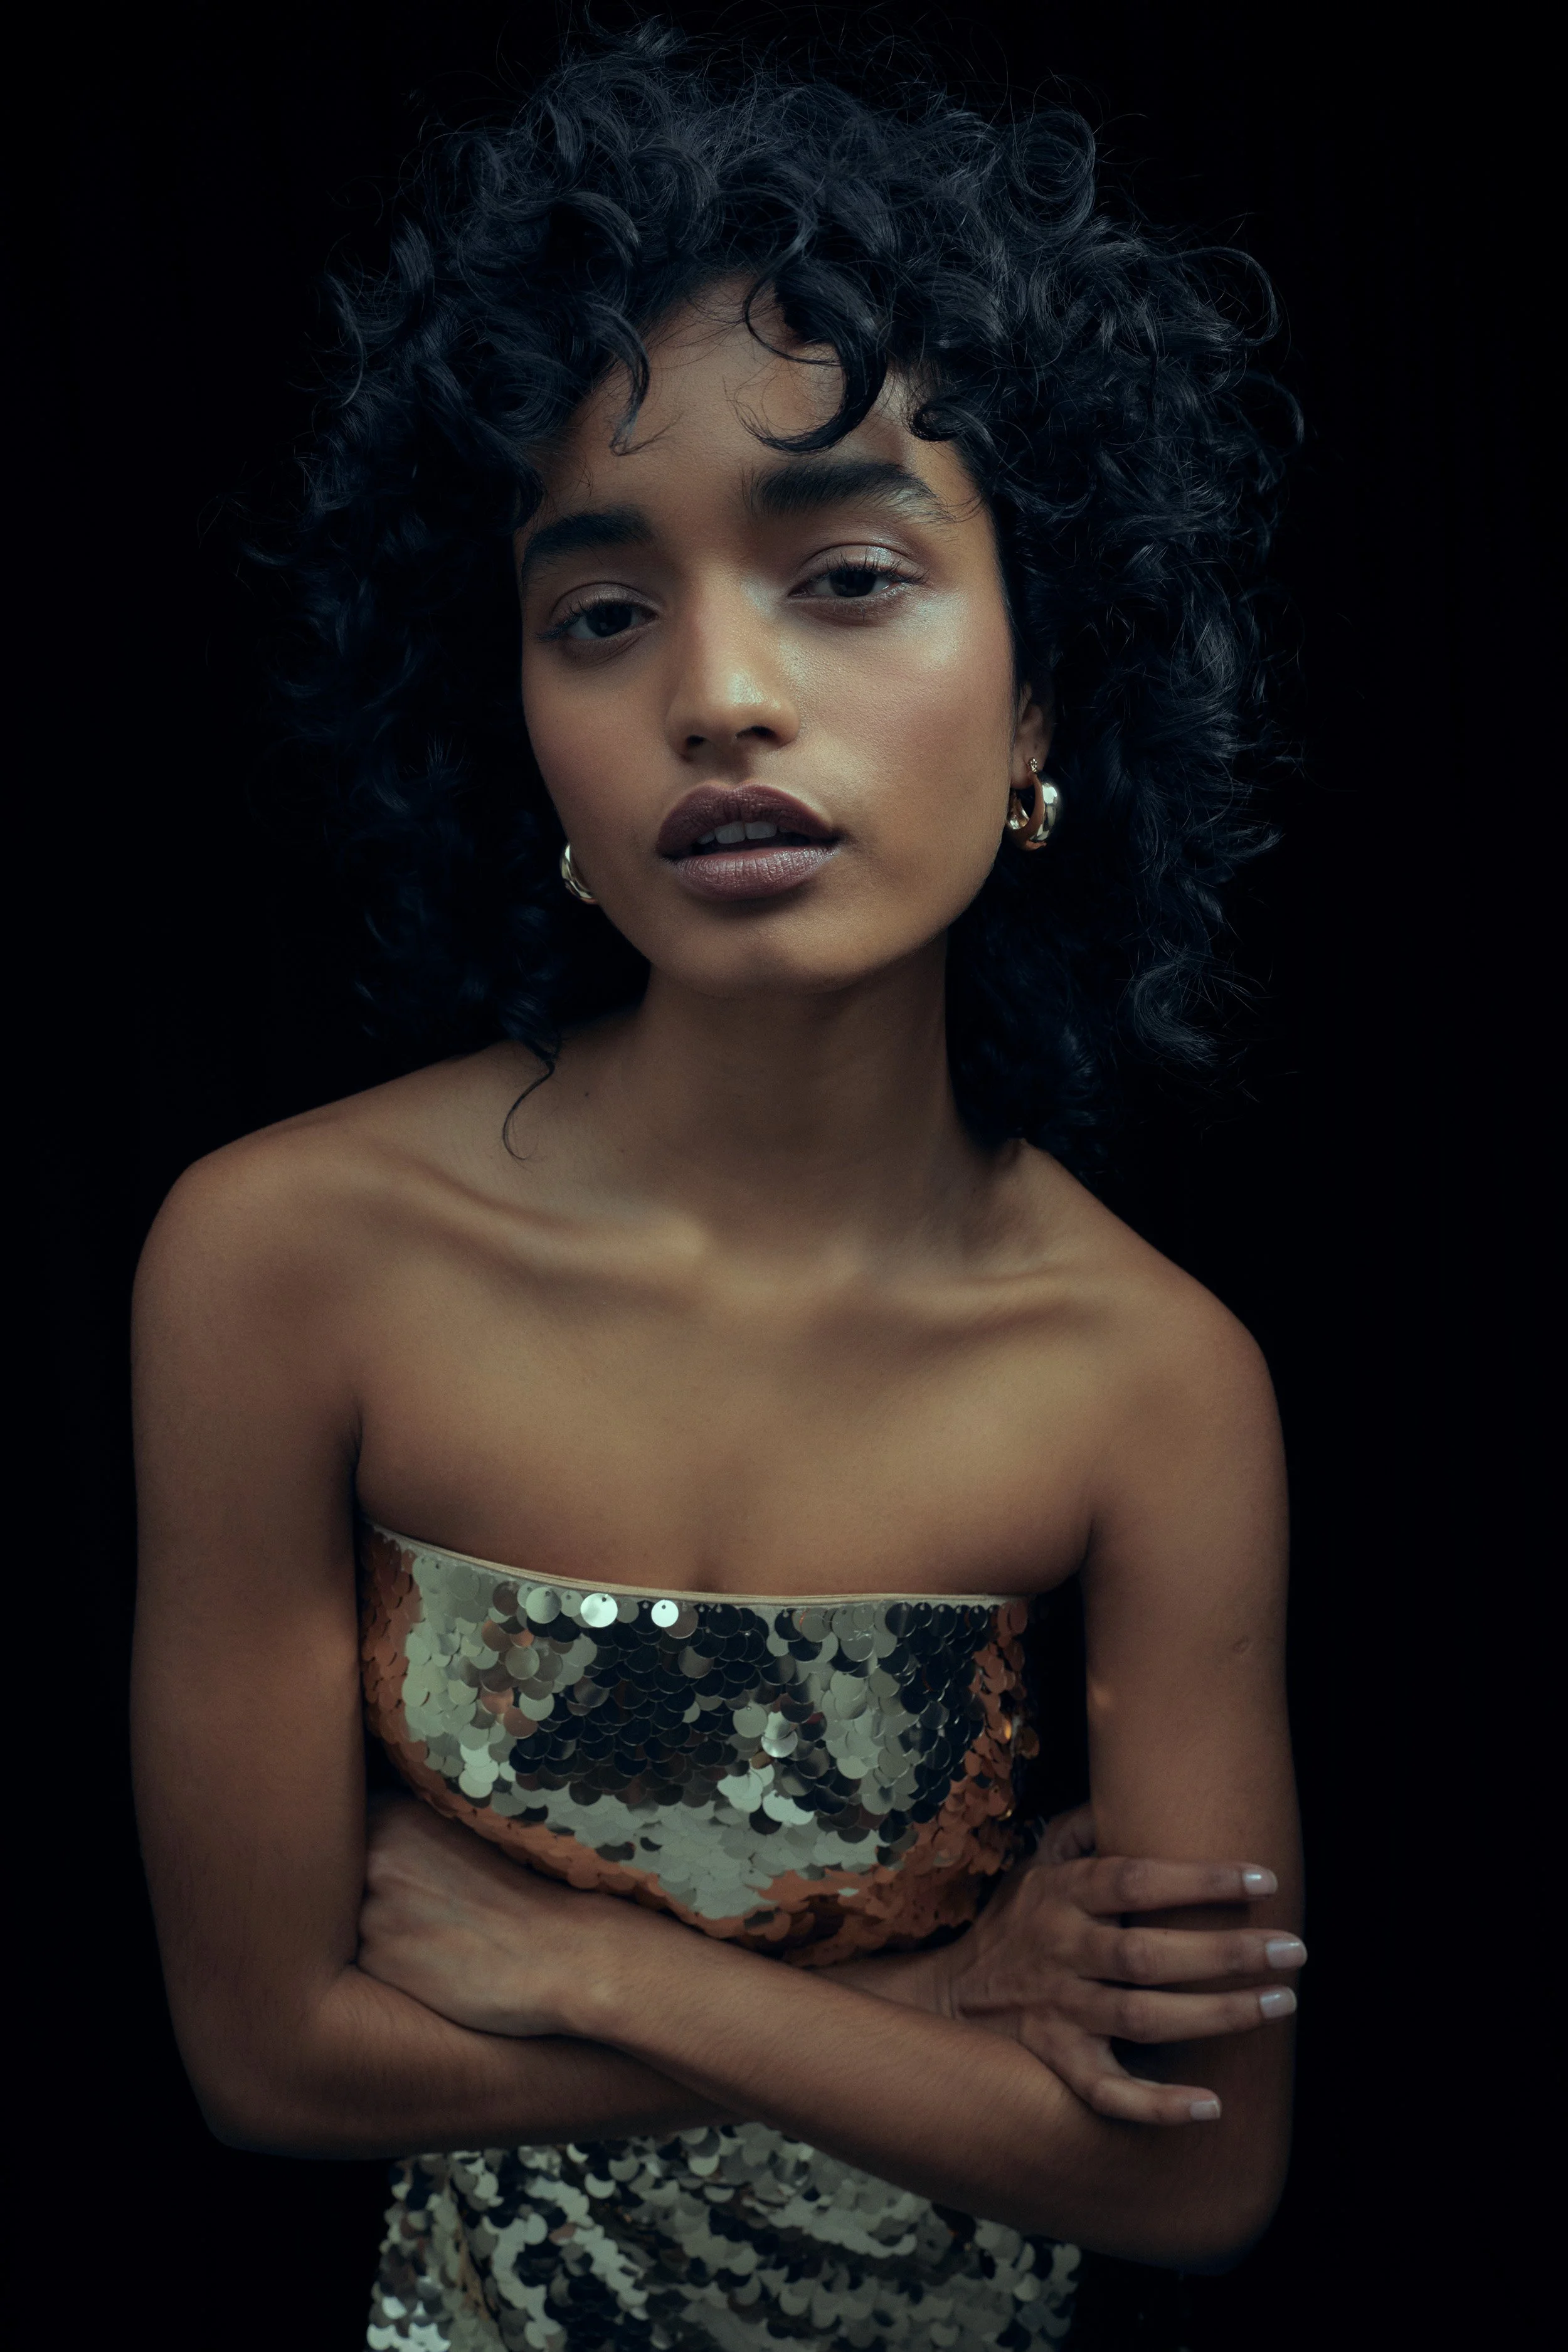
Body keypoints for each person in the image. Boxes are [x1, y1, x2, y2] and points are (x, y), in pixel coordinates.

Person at [131, 29, 1304, 2351]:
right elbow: (266, 2053)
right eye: (600, 613)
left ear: (1046, 687)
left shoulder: (1152, 1383)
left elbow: (1192, 2175)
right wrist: (942, 2013)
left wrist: (576, 1956)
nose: (722, 694)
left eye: (848, 575)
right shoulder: (284, 1262)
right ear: (528, 725)